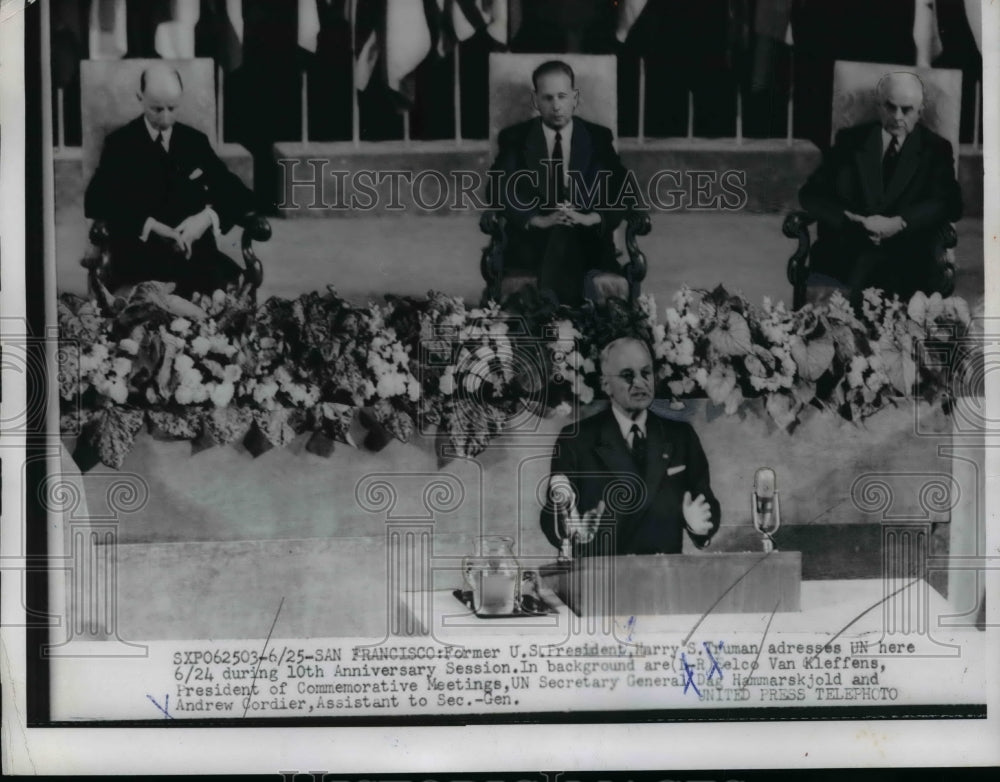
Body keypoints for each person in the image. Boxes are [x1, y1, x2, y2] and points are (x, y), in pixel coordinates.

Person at [84, 63, 256, 297]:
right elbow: (96, 200)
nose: (165, 118)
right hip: (142, 261)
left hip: (197, 261)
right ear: (140, 98)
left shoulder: (195, 142)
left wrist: (206, 219)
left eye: (172, 108)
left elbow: (238, 194)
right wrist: (150, 226)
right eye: (156, 109)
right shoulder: (121, 145)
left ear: (181, 100)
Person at [540, 337, 720, 557]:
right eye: (627, 375)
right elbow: (552, 515)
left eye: (646, 373)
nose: (640, 383)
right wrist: (569, 526)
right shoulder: (576, 440)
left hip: (666, 578)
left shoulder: (681, 436)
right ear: (606, 384)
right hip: (602, 581)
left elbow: (706, 500)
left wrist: (698, 526)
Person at [798, 71, 963, 306]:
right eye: (890, 106)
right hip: (848, 248)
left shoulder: (935, 150)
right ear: (878, 105)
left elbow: (950, 203)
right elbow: (811, 194)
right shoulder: (851, 141)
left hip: (905, 254)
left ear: (920, 110)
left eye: (906, 109)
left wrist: (900, 222)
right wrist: (848, 220)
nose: (897, 116)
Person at [490, 60, 628, 306]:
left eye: (562, 96)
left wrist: (589, 218)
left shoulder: (598, 138)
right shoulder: (515, 139)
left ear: (575, 98)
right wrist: (538, 220)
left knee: (568, 234)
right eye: (548, 98)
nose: (556, 106)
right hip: (533, 243)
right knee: (559, 233)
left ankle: (552, 315)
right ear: (535, 101)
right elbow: (498, 190)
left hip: (588, 241)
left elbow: (622, 191)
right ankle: (570, 318)